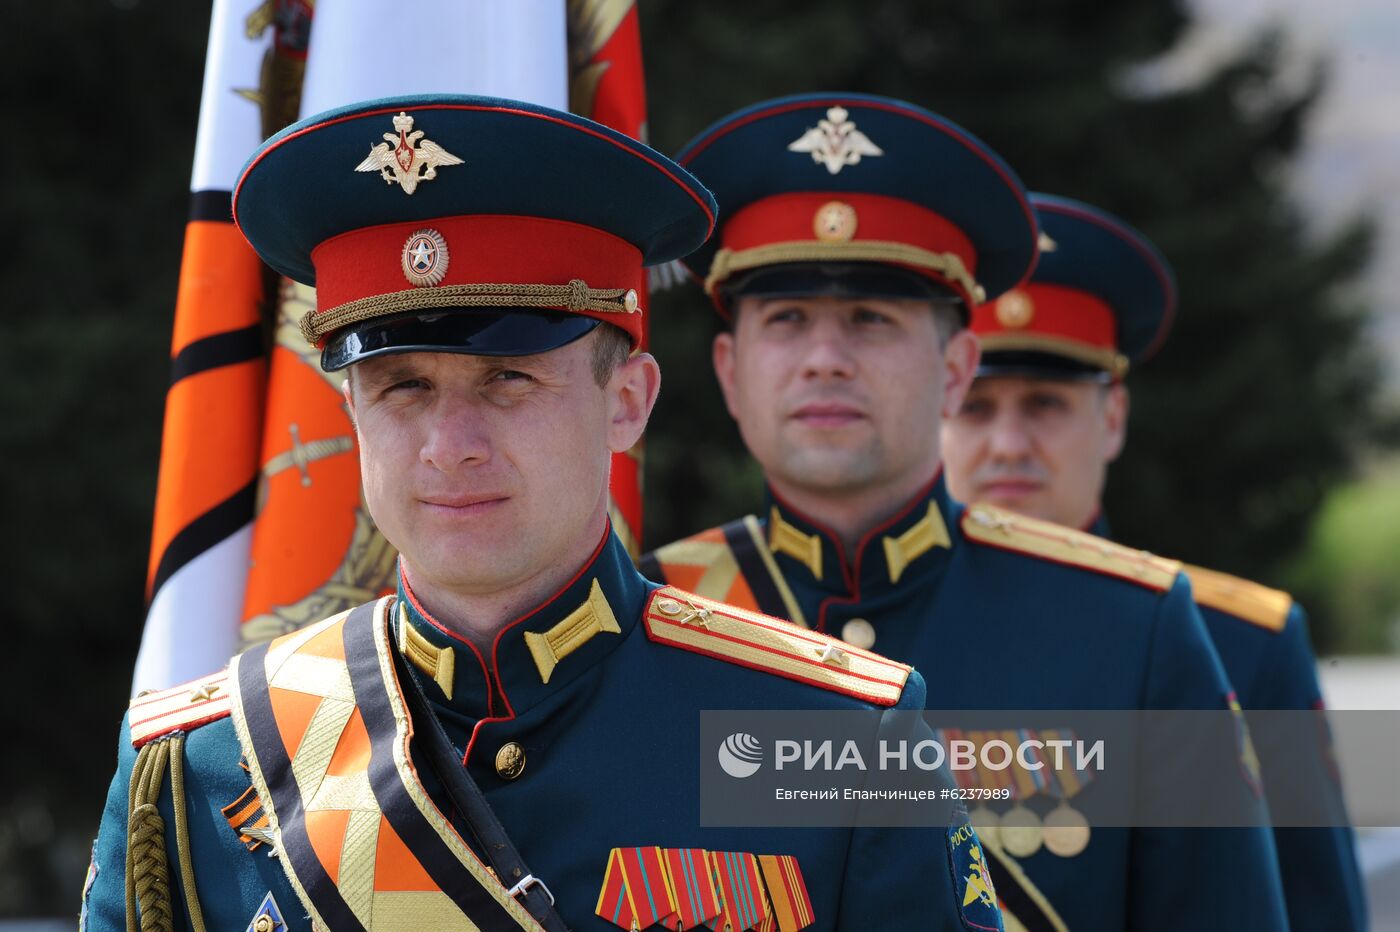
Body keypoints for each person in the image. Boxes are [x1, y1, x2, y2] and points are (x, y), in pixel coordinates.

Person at [83, 96, 1000, 932]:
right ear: (350, 414)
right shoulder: (196, 764)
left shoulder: (844, 733)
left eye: (508, 379)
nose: (451, 442)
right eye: (402, 387)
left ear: (629, 401)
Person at [642, 93, 1289, 930]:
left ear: (956, 368)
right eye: (788, 318)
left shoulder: (1139, 632)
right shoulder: (650, 619)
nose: (825, 360)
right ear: (730, 371)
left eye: (871, 319)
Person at [941, 192, 1367, 931]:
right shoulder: (855, 627)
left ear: (1112, 420)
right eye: (977, 408)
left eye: (1045, 404)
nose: (1008, 443)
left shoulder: (1243, 643)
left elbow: (1317, 911)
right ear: (935, 407)